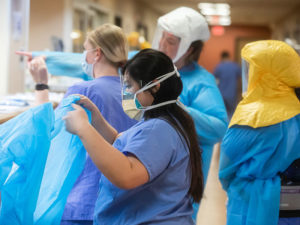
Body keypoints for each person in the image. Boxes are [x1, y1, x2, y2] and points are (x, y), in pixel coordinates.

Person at [63, 49, 204, 225]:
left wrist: (83, 129)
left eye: (129, 85)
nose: (126, 92)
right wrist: (96, 119)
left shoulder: (159, 129)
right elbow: (120, 142)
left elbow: (127, 174)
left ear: (154, 86)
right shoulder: (164, 120)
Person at [28, 23, 137, 225]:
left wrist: (40, 84)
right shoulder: (134, 93)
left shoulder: (84, 90)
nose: (83, 57)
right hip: (122, 200)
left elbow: (46, 131)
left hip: (84, 202)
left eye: (85, 50)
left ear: (97, 54)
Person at [151, 6, 228, 219]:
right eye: (162, 38)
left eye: (172, 42)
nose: (162, 45)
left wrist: (174, 104)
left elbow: (218, 128)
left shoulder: (201, 82)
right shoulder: (152, 69)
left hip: (179, 184)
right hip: (145, 175)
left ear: (190, 48)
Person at [219, 40, 300, 225]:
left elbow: (225, 170)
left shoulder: (249, 118)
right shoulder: (297, 112)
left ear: (263, 73)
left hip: (251, 208)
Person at [214, 51, 241, 119]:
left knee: (223, 113)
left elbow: (215, 80)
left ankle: (224, 128)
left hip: (221, 94)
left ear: (222, 57)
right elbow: (241, 79)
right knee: (232, 114)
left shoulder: (219, 66)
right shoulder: (235, 66)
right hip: (232, 94)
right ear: (228, 57)